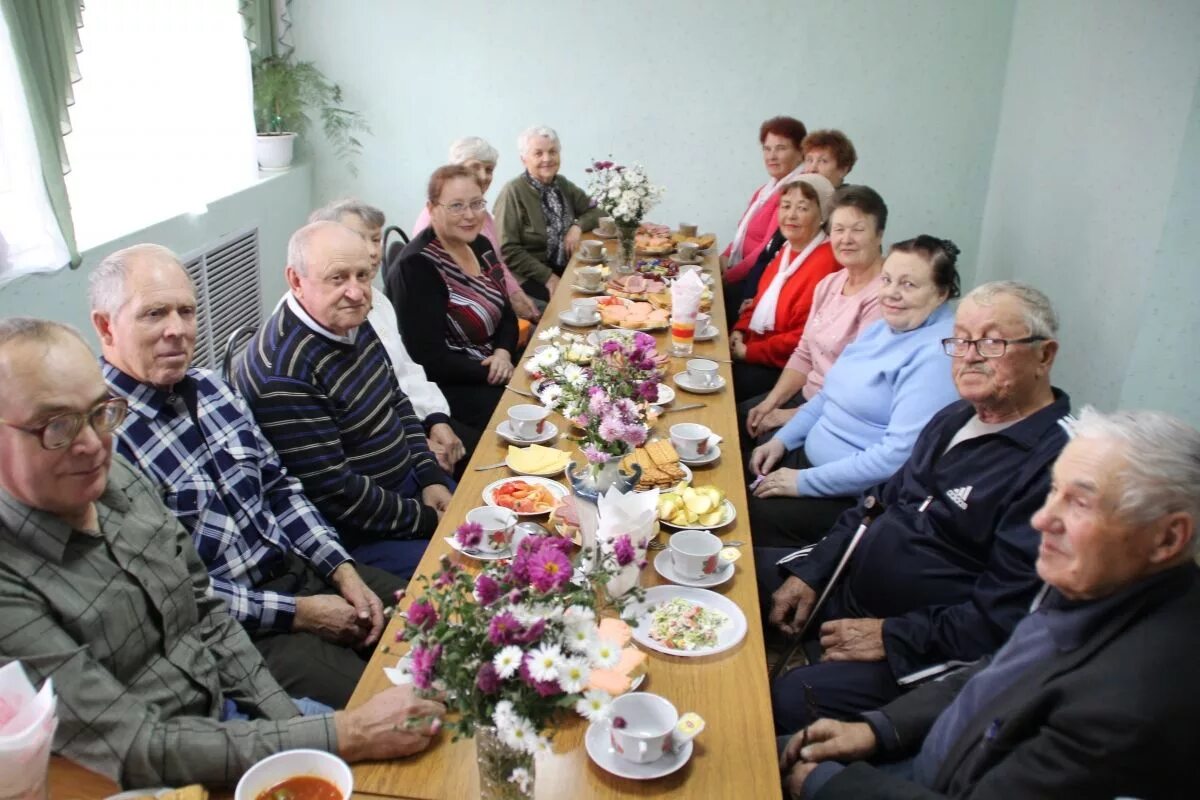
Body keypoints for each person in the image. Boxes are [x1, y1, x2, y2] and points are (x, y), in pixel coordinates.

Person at [0, 318, 445, 789]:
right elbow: (137, 747)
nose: (92, 445)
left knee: (436, 705)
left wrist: (290, 727)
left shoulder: (117, 481)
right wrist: (343, 733)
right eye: (59, 427)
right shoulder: (12, 578)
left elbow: (206, 614)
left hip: (237, 713)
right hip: (170, 775)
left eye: (100, 414)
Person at [781, 408, 1200, 800]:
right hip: (931, 754)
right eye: (1054, 491)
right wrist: (880, 729)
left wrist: (833, 785)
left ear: (1167, 538)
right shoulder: (1103, 582)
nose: (1041, 521)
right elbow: (995, 674)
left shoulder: (1128, 702)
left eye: (1081, 503)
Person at [88, 244, 403, 709]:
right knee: (385, 702)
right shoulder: (102, 442)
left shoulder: (214, 389)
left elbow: (280, 488)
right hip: (245, 630)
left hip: (306, 573)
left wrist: (341, 568)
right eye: (154, 314)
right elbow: (168, 593)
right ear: (105, 326)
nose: (177, 330)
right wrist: (299, 615)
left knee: (440, 622)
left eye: (187, 311)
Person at [757, 281, 1069, 735]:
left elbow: (1007, 618)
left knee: (788, 702)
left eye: (992, 341)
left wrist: (890, 636)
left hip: (920, 644)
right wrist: (815, 569)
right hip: (847, 584)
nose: (970, 355)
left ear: (1045, 355)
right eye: (961, 340)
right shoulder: (954, 417)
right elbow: (875, 504)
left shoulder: (1054, 470)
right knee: (727, 577)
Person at [238, 221, 454, 579]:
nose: (356, 292)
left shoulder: (346, 316)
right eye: (337, 278)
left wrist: (429, 474)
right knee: (468, 577)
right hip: (360, 531)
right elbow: (337, 492)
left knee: (496, 519)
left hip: (410, 489)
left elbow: (396, 399)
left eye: (363, 275)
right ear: (295, 280)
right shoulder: (283, 371)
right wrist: (427, 518)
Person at [747, 237, 962, 544]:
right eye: (887, 280)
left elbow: (895, 459)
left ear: (941, 294)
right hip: (810, 462)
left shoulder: (937, 356)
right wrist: (783, 439)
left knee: (743, 516)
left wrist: (804, 482)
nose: (891, 294)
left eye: (909, 285)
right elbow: (828, 397)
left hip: (853, 500)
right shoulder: (884, 327)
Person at [308, 198, 476, 475]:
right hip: (380, 454)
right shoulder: (329, 321)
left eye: (376, 239)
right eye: (360, 240)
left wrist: (437, 420)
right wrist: (417, 446)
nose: (373, 251)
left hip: (411, 422)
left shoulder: (379, 302)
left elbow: (405, 370)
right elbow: (359, 420)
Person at [740, 186, 887, 449]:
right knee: (739, 418)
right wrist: (770, 402)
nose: (846, 239)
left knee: (749, 444)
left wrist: (785, 416)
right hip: (806, 395)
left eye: (858, 229)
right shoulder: (830, 284)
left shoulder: (883, 298)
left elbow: (854, 388)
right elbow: (804, 353)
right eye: (839, 229)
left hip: (838, 417)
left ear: (879, 235)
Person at [388, 165, 520, 431]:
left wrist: (503, 354)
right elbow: (428, 357)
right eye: (456, 206)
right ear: (432, 208)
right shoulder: (417, 266)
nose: (469, 215)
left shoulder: (480, 245)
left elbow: (506, 313)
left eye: (476, 204)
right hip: (451, 387)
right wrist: (495, 371)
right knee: (525, 418)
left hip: (496, 369)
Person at [729, 174, 839, 402]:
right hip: (756, 347)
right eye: (786, 206)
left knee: (721, 382)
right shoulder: (787, 249)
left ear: (822, 215)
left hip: (786, 367)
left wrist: (749, 352)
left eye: (803, 208)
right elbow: (757, 301)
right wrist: (739, 330)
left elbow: (803, 337)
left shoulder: (827, 262)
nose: (791, 215)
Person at [411, 136, 541, 324]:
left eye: (489, 169)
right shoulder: (435, 221)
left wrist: (515, 293)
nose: (483, 175)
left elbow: (496, 263)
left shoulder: (482, 214)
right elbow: (456, 288)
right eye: (475, 167)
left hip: (495, 303)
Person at [493, 125, 602, 302]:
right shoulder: (512, 192)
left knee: (600, 292)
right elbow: (509, 250)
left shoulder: (562, 184)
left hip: (564, 268)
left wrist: (577, 226)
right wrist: (549, 278)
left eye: (553, 152)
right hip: (529, 277)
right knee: (571, 304)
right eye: (538, 153)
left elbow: (597, 212)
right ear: (524, 159)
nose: (547, 159)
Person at [721, 116, 809, 291]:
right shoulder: (765, 190)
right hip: (738, 271)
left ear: (801, 152)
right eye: (767, 149)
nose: (772, 156)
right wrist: (722, 258)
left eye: (781, 148)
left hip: (755, 282)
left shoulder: (793, 194)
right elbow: (743, 233)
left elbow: (765, 249)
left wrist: (727, 278)